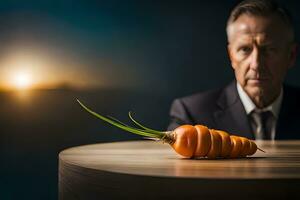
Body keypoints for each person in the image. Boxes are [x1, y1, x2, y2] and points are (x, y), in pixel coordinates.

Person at [168, 0, 299, 140]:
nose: (256, 64)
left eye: (270, 50)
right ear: (231, 55)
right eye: (245, 49)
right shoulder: (191, 115)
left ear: (291, 56)